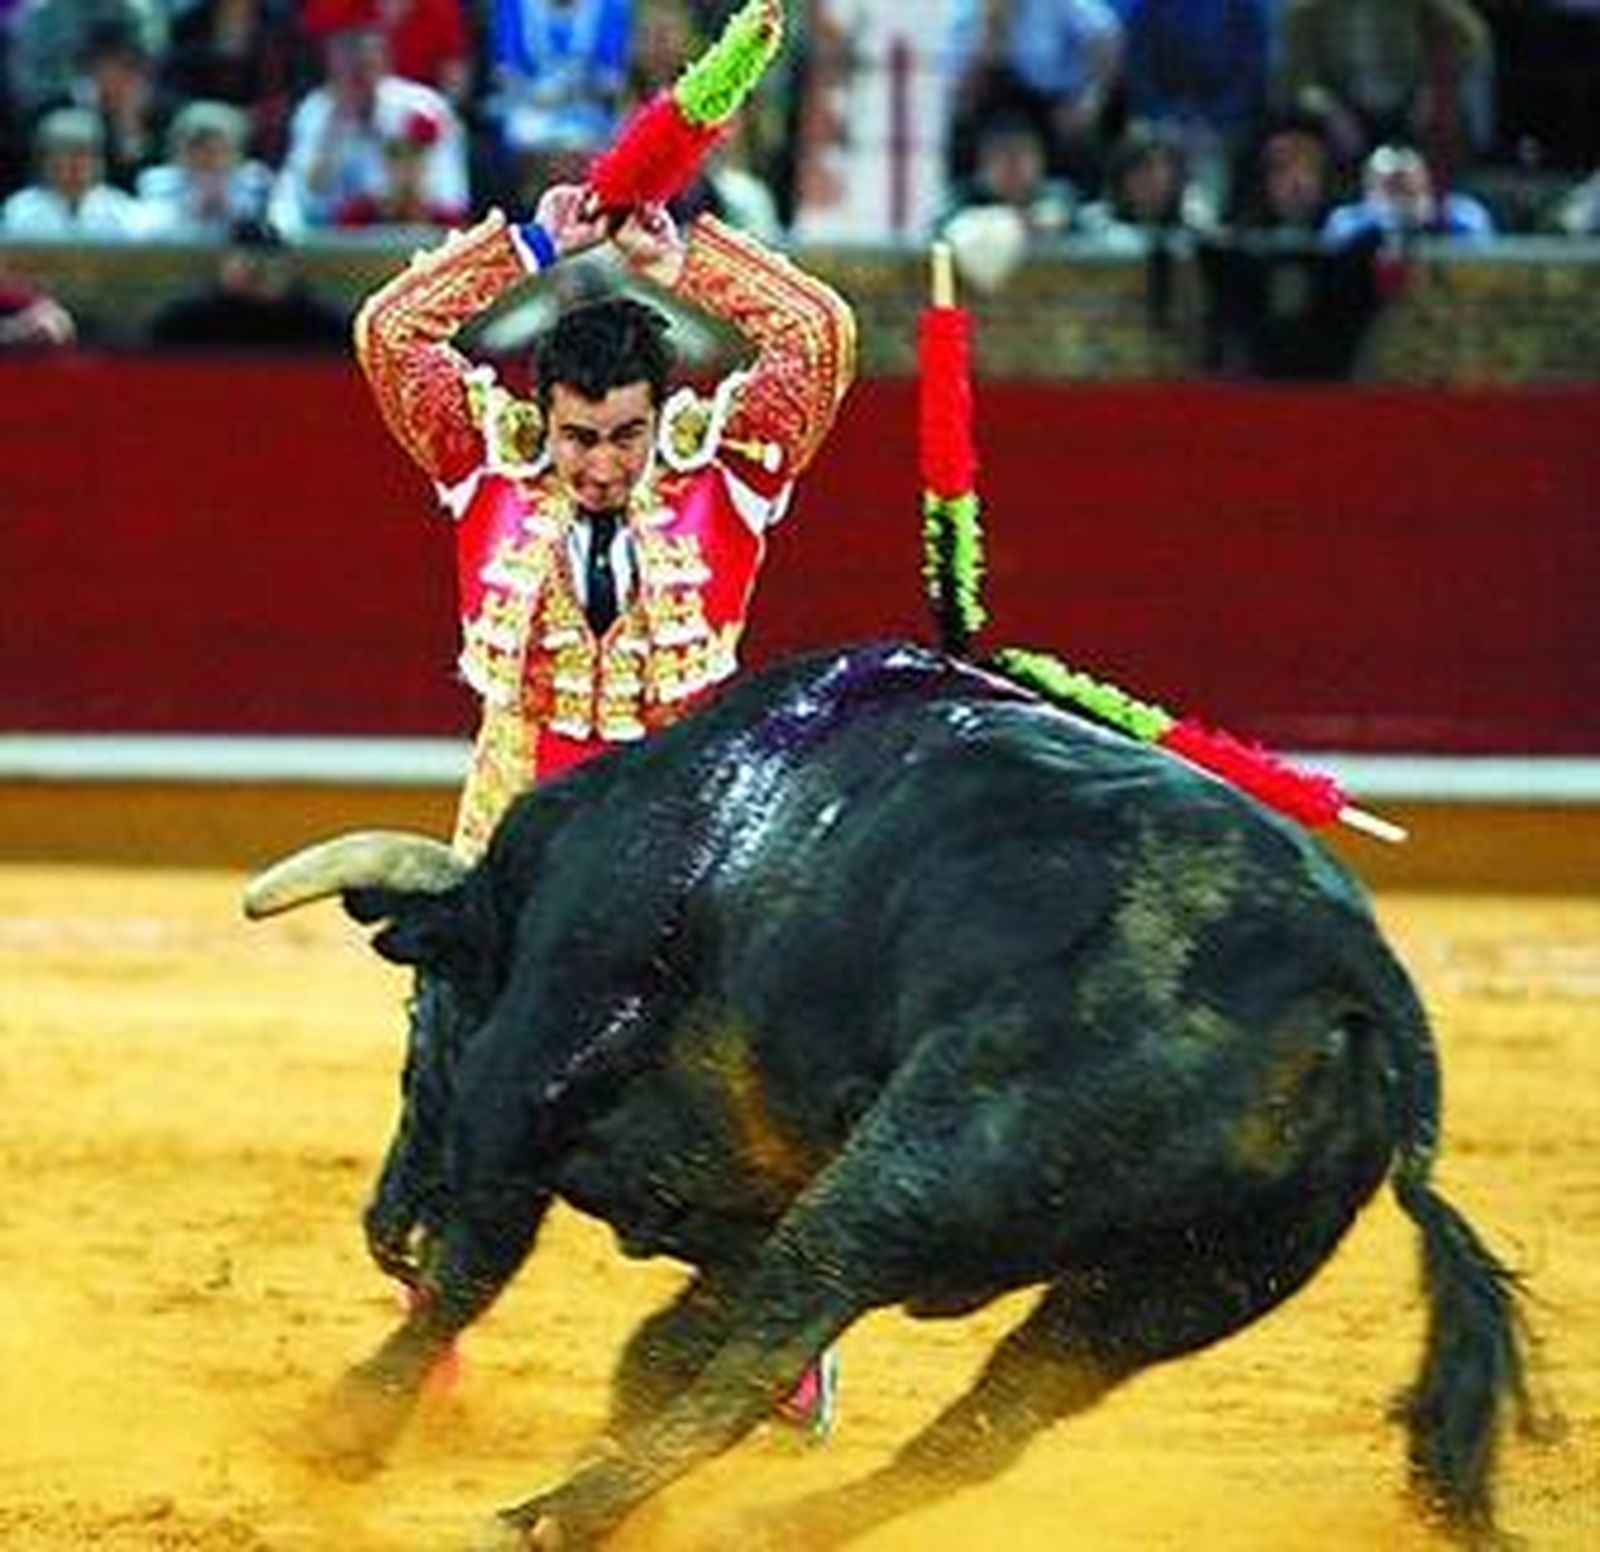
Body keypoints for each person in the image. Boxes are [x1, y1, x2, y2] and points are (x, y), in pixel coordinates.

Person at [352, 180, 856, 1435]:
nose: (601, 465)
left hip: (683, 848)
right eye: (578, 437)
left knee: (722, 1101)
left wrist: (678, 263)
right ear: (544, 419)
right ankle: (432, 1323)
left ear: (658, 416)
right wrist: (530, 249)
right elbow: (390, 337)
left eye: (625, 436)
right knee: (453, 1073)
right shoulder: (483, 470)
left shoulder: (727, 474)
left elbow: (817, 339)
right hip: (516, 848)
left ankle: (776, 1335)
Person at [270, 22, 469, 234]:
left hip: (415, 228)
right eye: (345, 74)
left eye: (365, 69)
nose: (357, 83)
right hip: (336, 233)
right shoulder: (316, 111)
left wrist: (394, 200)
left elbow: (452, 197)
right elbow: (299, 197)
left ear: (384, 66)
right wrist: (333, 133)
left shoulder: (423, 107)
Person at [146, 217, 351, 349]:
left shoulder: (318, 323)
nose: (259, 271)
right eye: (247, 262)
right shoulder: (186, 321)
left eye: (270, 263)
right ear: (223, 265)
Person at [0, 105, 150, 238]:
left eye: (82, 156)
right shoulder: (20, 210)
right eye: (61, 156)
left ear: (99, 162)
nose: (71, 167)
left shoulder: (122, 210)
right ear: (44, 163)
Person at [135, 98, 274, 236]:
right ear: (180, 153)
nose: (212, 159)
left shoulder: (256, 182)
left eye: (221, 149)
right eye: (200, 149)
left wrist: (228, 208)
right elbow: (149, 234)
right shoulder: (158, 183)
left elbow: (269, 230)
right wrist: (193, 209)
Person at [1324, 142, 1496, 246]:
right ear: (1369, 186)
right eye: (1390, 185)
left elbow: (1482, 258)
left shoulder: (1463, 214)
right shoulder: (1346, 220)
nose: (1400, 186)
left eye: (1407, 184)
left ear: (1426, 180)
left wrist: (1432, 219)